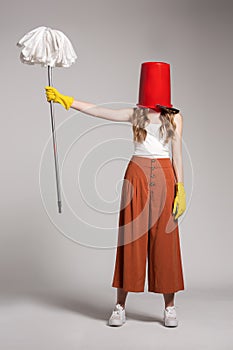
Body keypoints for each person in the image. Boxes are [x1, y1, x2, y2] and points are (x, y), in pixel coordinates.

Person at [45, 62, 186, 328]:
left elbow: (176, 155)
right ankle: (120, 305)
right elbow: (100, 112)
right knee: (130, 238)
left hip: (166, 176)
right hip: (136, 175)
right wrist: (67, 100)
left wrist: (181, 187)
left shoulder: (175, 118)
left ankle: (169, 307)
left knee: (166, 240)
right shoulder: (137, 115)